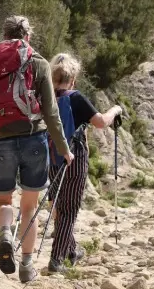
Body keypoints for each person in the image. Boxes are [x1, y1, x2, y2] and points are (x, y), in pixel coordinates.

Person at [0, 16, 71, 283]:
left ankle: (6, 233)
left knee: (2, 201)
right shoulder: (39, 63)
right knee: (29, 206)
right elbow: (51, 111)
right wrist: (64, 148)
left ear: (4, 34)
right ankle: (26, 264)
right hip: (34, 139)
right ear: (28, 36)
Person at [45, 54, 123, 274]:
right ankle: (57, 259)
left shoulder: (47, 96)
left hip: (51, 156)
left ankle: (71, 251)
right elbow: (100, 122)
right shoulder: (76, 97)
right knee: (69, 209)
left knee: (59, 205)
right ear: (73, 77)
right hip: (75, 155)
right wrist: (116, 109)